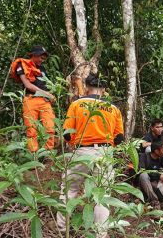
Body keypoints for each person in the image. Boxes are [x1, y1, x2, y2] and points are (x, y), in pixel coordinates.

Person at [56, 74, 124, 237]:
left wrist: (75, 144)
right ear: (104, 90)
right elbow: (120, 138)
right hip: (105, 153)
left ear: (86, 87)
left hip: (81, 151)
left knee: (69, 189)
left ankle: (61, 228)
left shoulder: (77, 104)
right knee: (102, 194)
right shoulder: (113, 108)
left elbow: (66, 133)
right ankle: (100, 234)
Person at [10, 45, 56, 152]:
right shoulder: (22, 64)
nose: (42, 60)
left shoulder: (42, 69)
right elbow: (28, 85)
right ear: (33, 55)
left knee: (50, 127)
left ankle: (48, 154)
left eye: (44, 58)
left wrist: (51, 94)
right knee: (31, 129)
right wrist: (47, 94)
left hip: (45, 100)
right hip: (31, 99)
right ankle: (34, 155)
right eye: (40, 57)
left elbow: (46, 85)